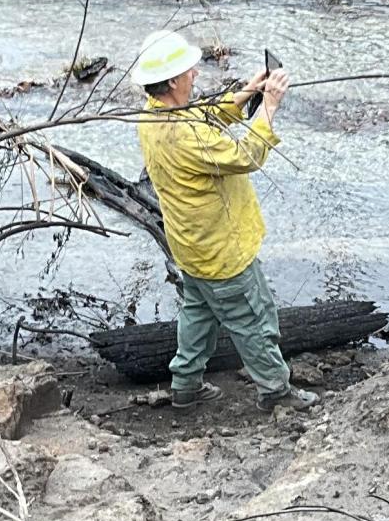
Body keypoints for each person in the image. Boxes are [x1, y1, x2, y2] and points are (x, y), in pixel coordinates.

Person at [130, 30, 316, 415]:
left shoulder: (153, 115)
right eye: (187, 71)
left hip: (191, 247)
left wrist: (249, 91)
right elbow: (245, 154)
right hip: (223, 252)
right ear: (170, 82)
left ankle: (185, 387)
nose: (195, 74)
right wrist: (269, 106)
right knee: (255, 321)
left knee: (197, 315)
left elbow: (207, 115)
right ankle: (277, 393)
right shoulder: (184, 135)